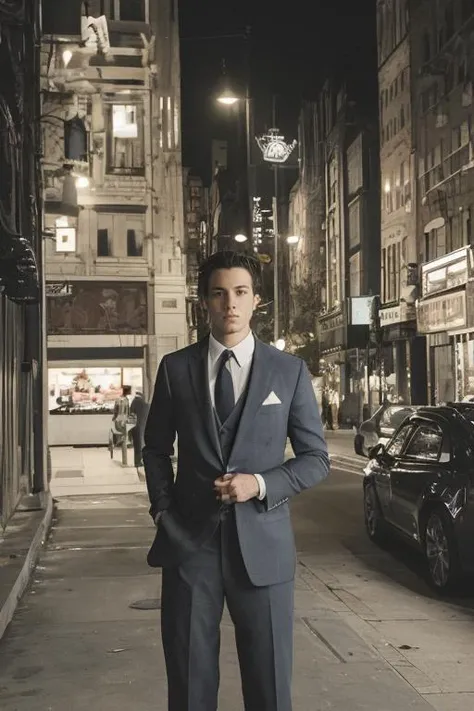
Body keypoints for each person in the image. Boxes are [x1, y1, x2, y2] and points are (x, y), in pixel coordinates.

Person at [143, 251, 330, 711]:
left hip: (263, 550)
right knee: (189, 685)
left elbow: (315, 459)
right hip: (190, 545)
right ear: (203, 302)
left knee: (268, 687)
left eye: (241, 293)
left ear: (256, 300)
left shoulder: (288, 371)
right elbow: (154, 449)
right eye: (219, 293)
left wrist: (260, 484)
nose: (230, 303)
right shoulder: (175, 368)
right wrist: (163, 510)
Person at [130, 391, 149, 473]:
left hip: (136, 426)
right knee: (141, 444)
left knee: (138, 445)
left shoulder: (135, 401)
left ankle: (138, 462)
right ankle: (139, 462)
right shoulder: (144, 403)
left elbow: (131, 414)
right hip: (141, 426)